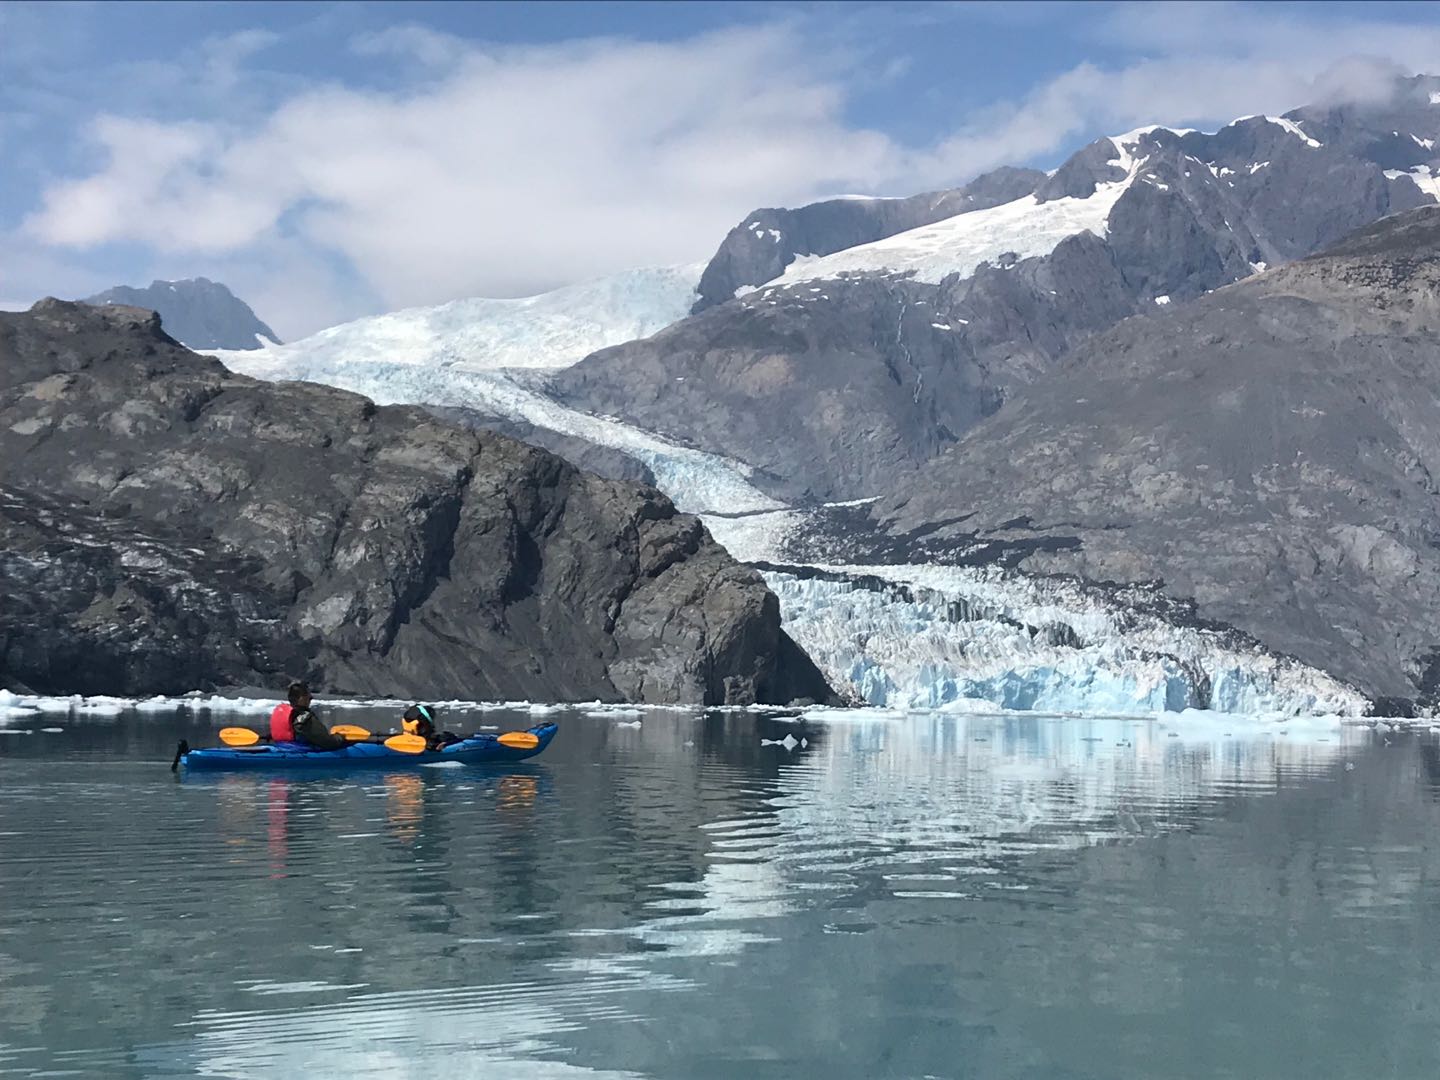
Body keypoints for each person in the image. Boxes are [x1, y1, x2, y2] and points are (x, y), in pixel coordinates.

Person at [287, 681, 348, 751]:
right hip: (303, 752)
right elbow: (328, 743)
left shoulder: (286, 713)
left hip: (284, 747)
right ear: (302, 699)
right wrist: (340, 737)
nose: (310, 701)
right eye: (309, 698)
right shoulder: (306, 720)